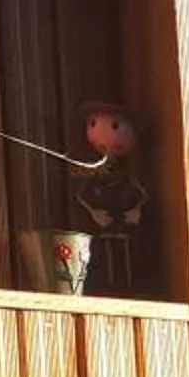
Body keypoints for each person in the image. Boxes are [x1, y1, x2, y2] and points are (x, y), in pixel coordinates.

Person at [74, 102, 147, 295]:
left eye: (115, 126)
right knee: (103, 255)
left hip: (122, 222)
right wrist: (94, 212)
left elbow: (141, 195)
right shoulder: (96, 176)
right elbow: (82, 196)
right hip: (104, 222)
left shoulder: (125, 176)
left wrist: (135, 210)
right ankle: (108, 286)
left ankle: (128, 287)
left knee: (126, 254)